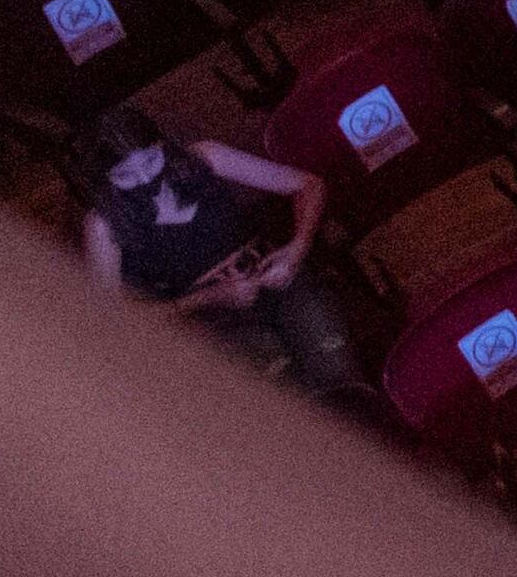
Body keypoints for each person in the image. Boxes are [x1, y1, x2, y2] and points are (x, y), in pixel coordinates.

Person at [79, 106, 359, 399]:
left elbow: (309, 185)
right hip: (210, 318)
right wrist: (210, 296)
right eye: (125, 174)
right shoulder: (103, 224)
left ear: (161, 145)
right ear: (106, 178)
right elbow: (112, 321)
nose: (146, 178)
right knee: (288, 396)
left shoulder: (204, 157)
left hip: (269, 276)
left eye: (150, 161)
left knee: (338, 374)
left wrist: (296, 249)